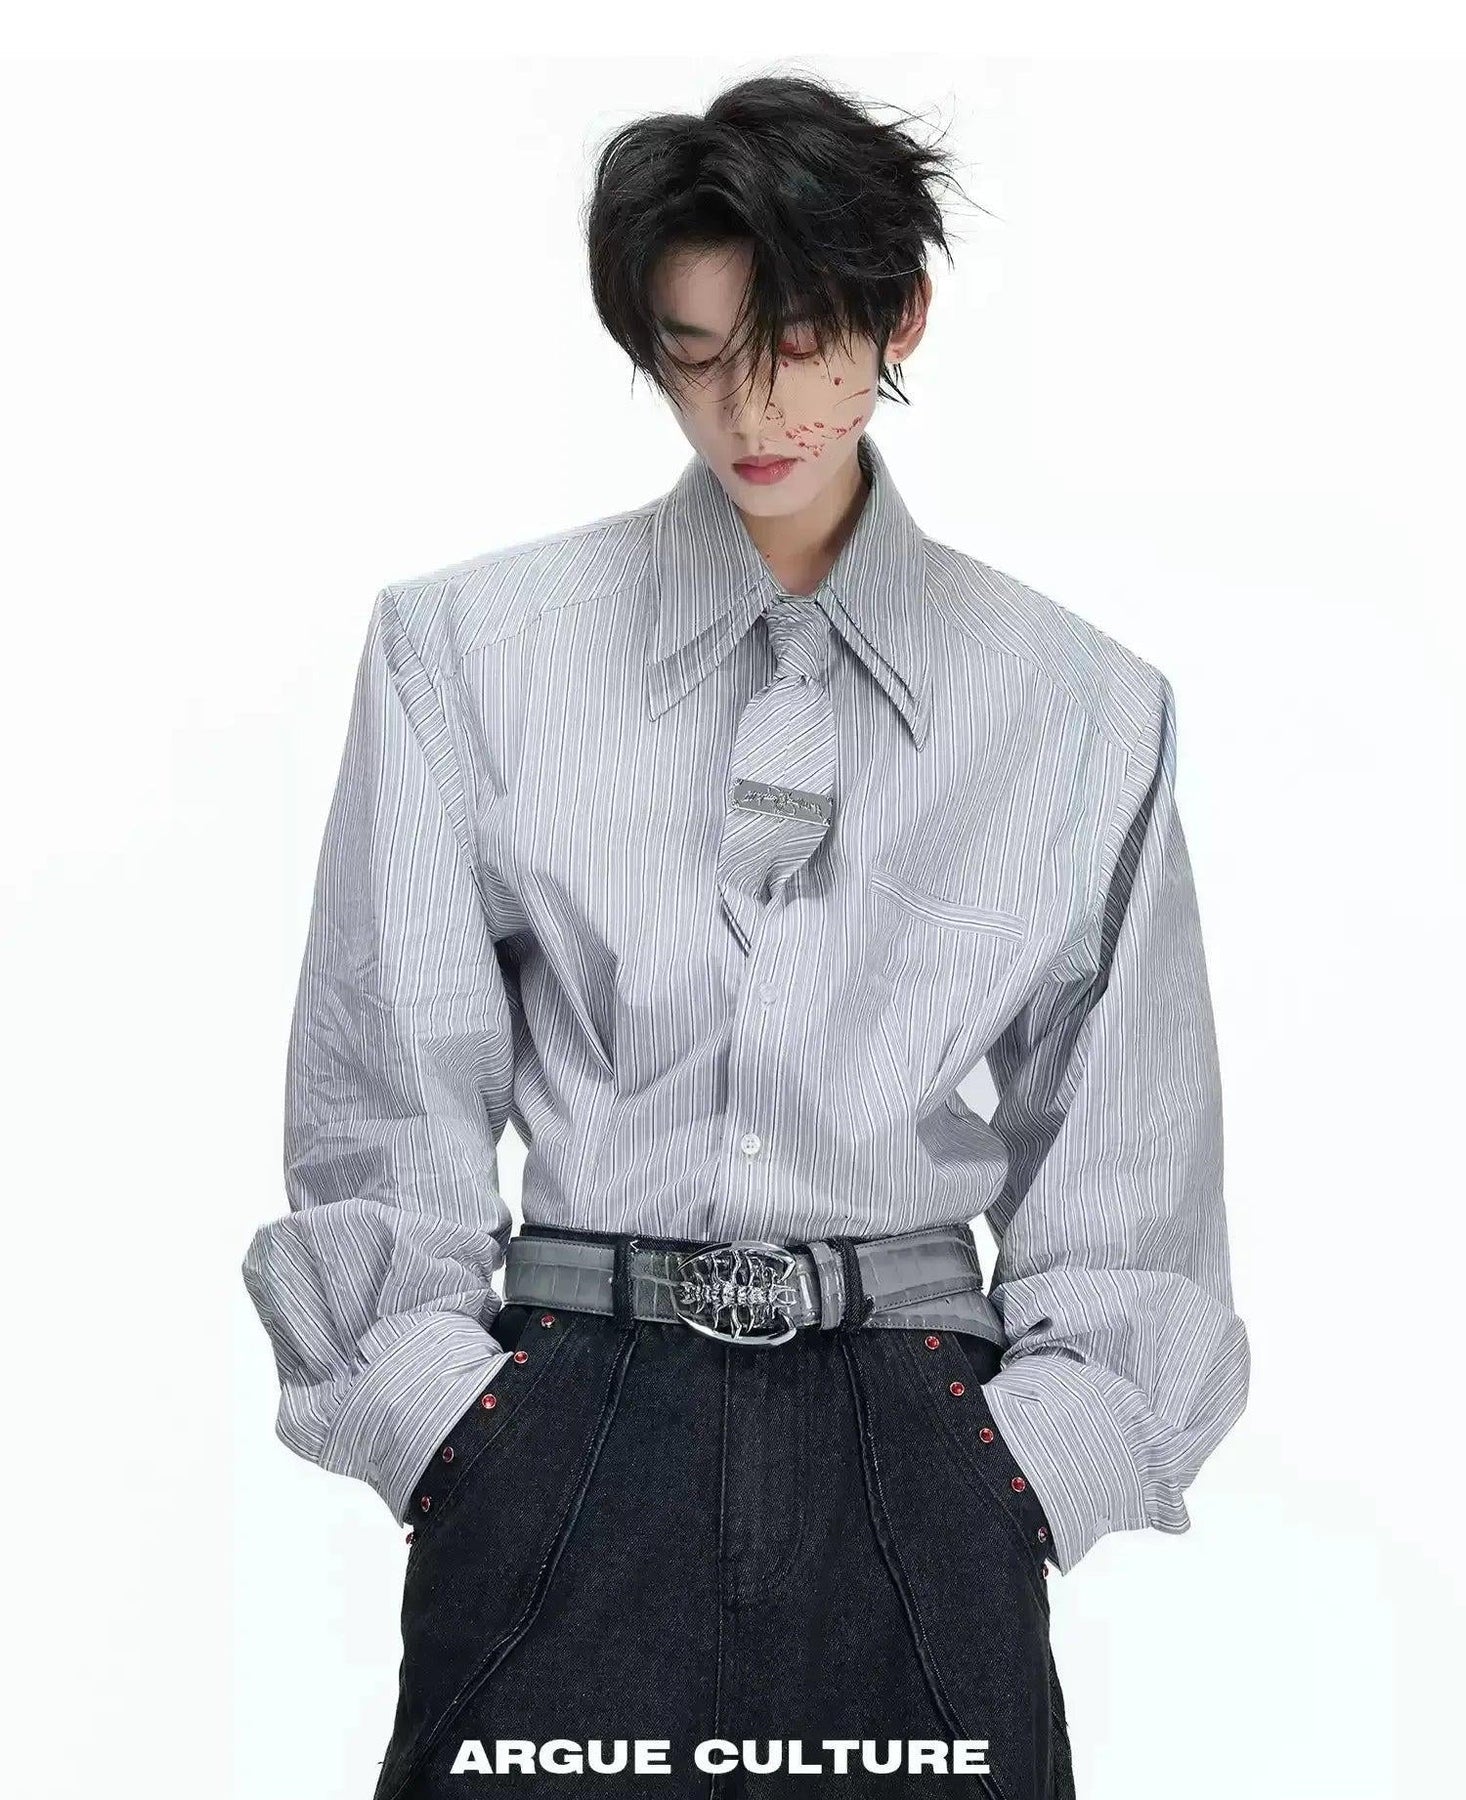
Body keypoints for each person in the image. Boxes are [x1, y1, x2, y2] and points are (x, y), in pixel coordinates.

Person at [242, 70, 1249, 1800]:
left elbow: (1127, 1165)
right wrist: (449, 1431)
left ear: (897, 315)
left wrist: (1024, 1474)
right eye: (692, 352)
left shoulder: (1080, 710)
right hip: (563, 1423)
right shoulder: (468, 654)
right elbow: (386, 1080)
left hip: (922, 1439)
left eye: (792, 344)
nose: (746, 409)